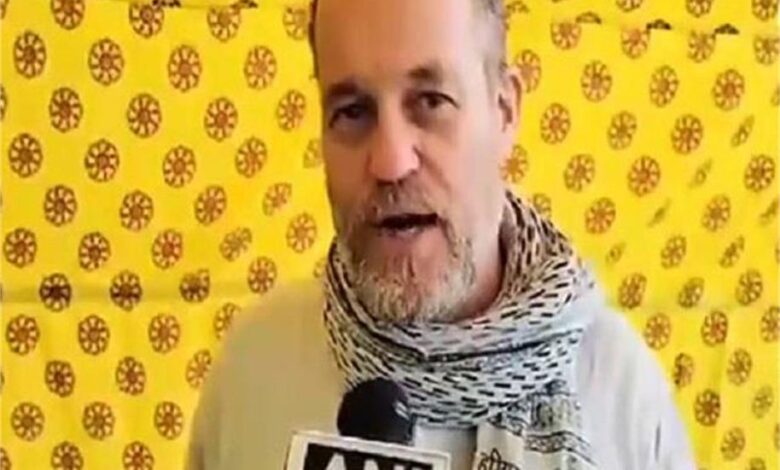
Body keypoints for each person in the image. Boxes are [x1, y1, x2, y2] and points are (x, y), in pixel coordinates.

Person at [186, 0, 697, 469]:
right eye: (353, 112)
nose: (390, 162)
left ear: (504, 112)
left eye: (431, 101)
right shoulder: (252, 372)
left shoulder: (622, 397)